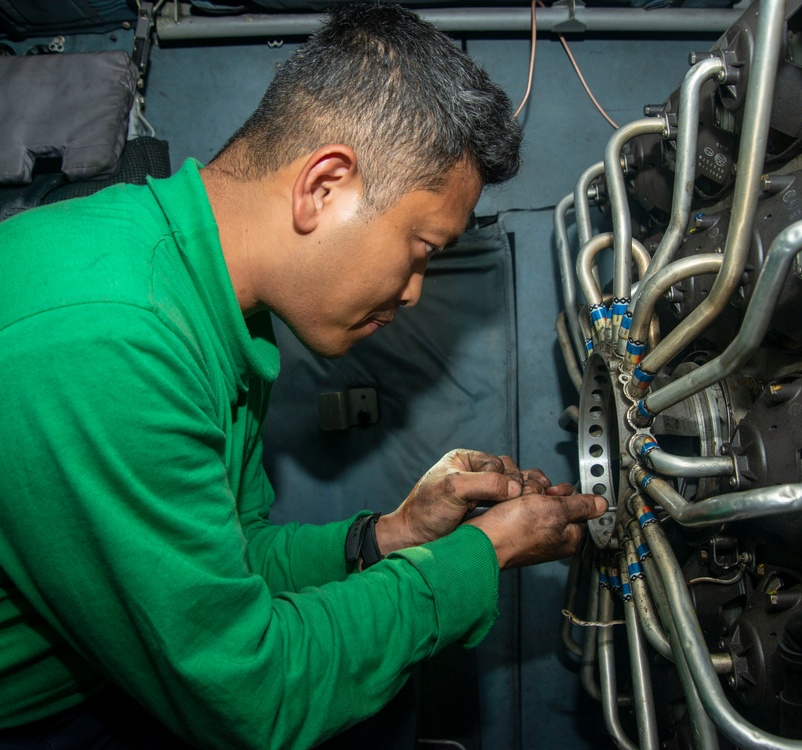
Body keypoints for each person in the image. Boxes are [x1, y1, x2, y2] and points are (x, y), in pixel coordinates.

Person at [0, 4, 607, 749]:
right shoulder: (113, 337)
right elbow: (253, 694)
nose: (414, 290)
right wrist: (486, 554)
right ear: (324, 185)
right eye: (420, 249)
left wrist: (390, 535)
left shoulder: (217, 307)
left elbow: (234, 562)